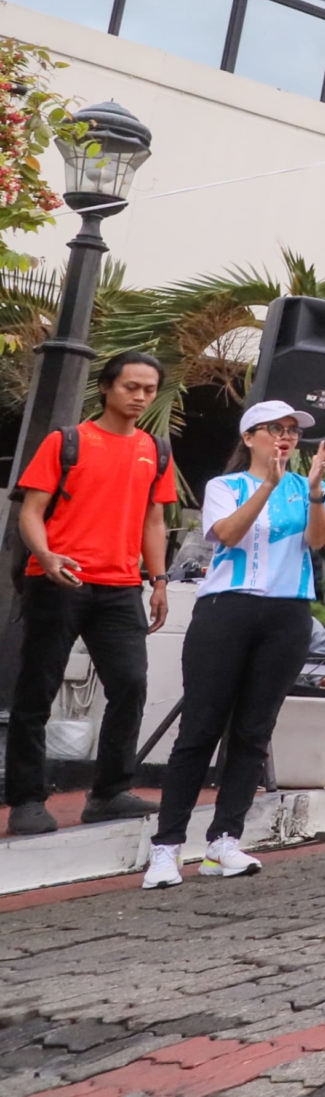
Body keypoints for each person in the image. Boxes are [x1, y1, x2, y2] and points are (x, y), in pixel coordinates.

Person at [142, 401, 325, 888]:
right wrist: (268, 485)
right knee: (200, 728)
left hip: (287, 612)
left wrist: (314, 493)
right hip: (226, 609)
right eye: (275, 429)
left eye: (293, 431)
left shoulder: (307, 487)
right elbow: (226, 535)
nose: (286, 437)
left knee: (253, 731)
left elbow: (318, 541)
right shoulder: (224, 487)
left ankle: (223, 841)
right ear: (249, 437)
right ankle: (166, 847)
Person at [6, 351, 176, 835]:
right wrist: (48, 556)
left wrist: (159, 580)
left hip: (121, 586)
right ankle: (26, 800)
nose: (140, 397)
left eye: (149, 389)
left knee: (131, 683)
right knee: (37, 689)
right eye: (131, 387)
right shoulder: (68, 441)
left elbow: (154, 522)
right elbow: (31, 512)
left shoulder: (156, 450)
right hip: (57, 580)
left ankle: (108, 793)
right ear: (106, 387)